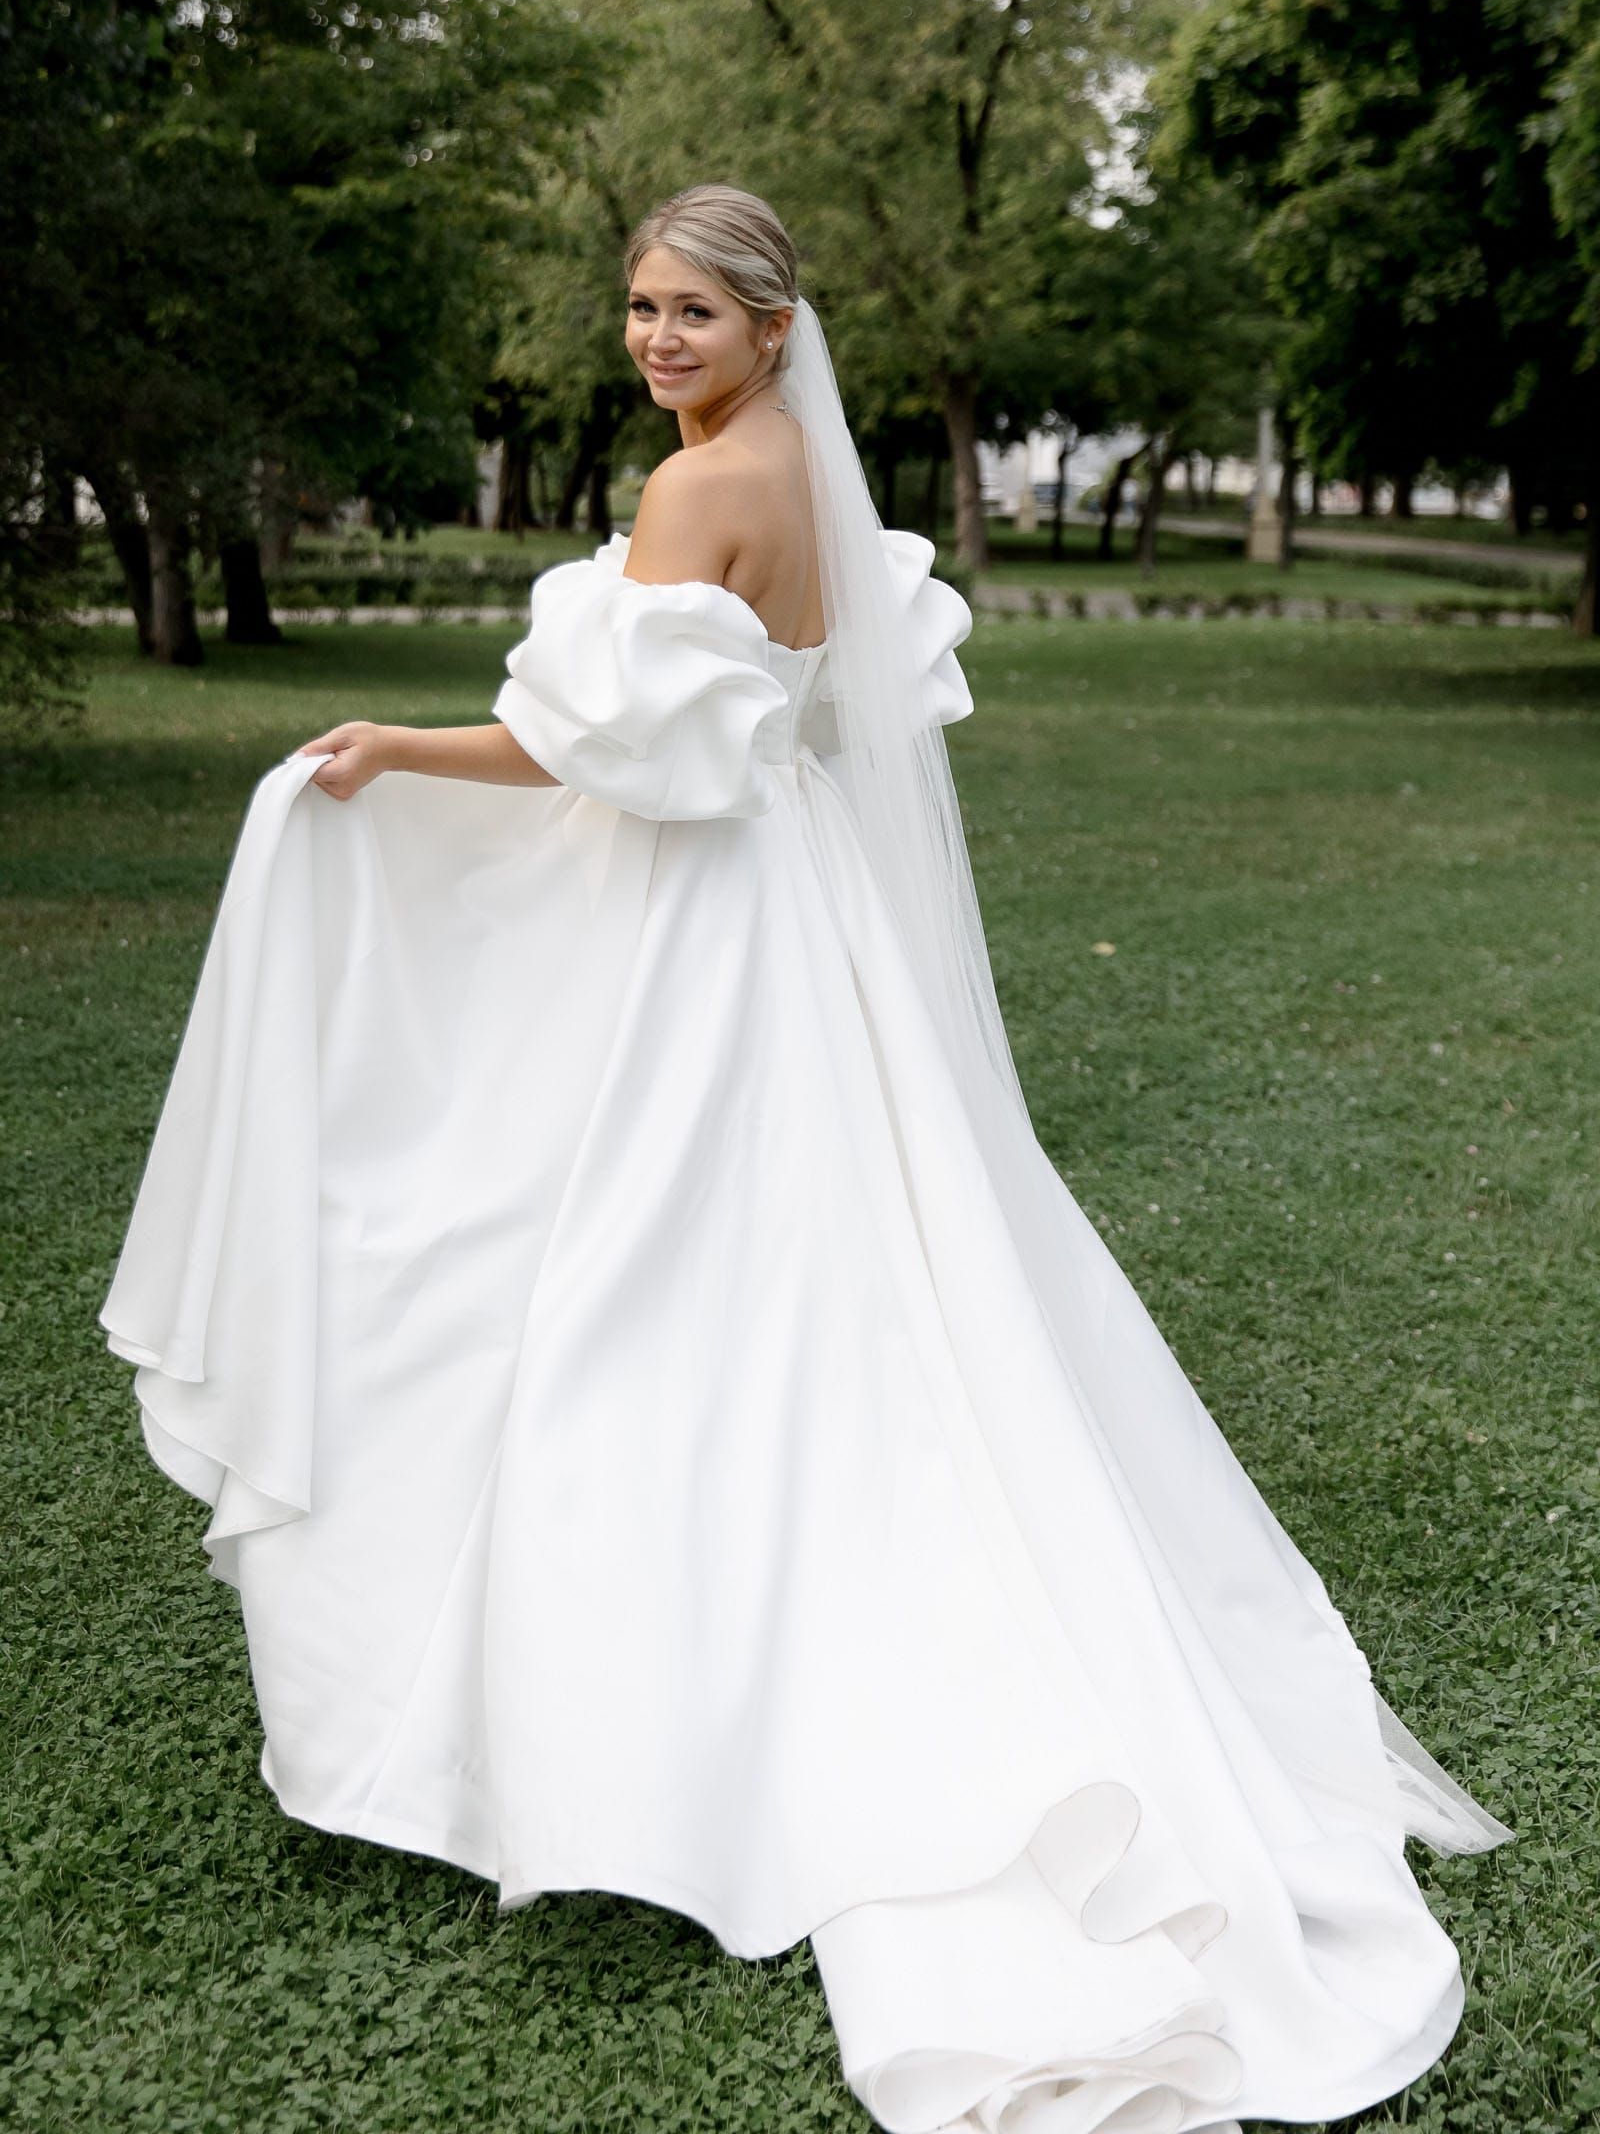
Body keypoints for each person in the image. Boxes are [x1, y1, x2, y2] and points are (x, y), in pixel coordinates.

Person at [102, 184, 1510, 2134]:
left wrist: (392, 750)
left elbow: (597, 754)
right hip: (795, 898)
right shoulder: (787, 471)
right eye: (639, 307)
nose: (656, 339)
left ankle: (648, 1690)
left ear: (774, 325)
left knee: (624, 1265)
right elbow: (780, 720)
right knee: (835, 1273)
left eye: (692, 311)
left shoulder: (702, 491)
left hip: (706, 931)